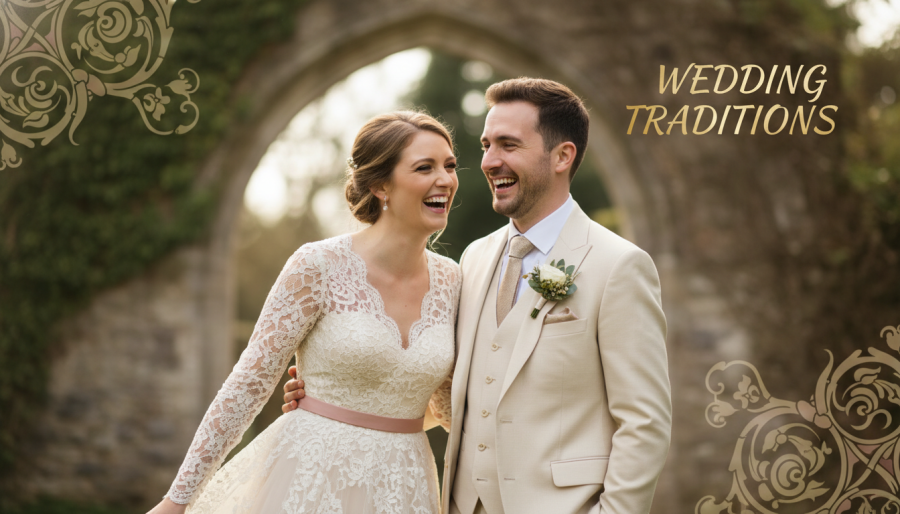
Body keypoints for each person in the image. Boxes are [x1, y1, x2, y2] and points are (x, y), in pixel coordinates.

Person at [283, 78, 672, 514]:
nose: (489, 161)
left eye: (508, 145)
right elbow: (461, 398)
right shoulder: (472, 261)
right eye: (486, 145)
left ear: (562, 156)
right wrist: (342, 400)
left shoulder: (618, 266)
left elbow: (645, 422)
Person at [146, 110, 461, 514]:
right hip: (311, 481)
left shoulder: (454, 281)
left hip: (407, 488)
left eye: (450, 166)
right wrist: (178, 499)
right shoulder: (318, 264)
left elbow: (453, 407)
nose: (445, 180)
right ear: (382, 184)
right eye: (425, 167)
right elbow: (248, 385)